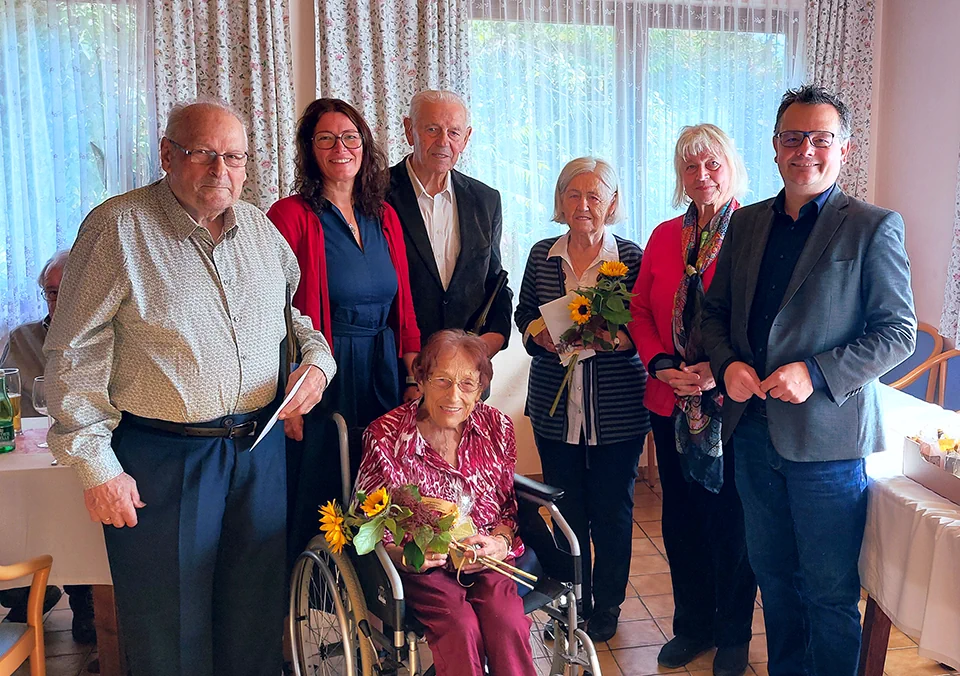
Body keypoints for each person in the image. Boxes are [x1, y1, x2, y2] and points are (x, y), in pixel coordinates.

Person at [44, 100, 337, 676]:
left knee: (253, 625)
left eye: (232, 157)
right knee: (169, 634)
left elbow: (292, 319)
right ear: (167, 155)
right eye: (203, 154)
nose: (219, 170)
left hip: (258, 453)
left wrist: (319, 363)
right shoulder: (117, 229)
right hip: (163, 459)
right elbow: (72, 353)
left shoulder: (259, 229)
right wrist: (95, 465)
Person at [701, 85, 916, 676]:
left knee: (828, 592)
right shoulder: (743, 224)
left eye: (821, 139)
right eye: (794, 138)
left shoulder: (873, 226)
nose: (806, 151)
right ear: (774, 148)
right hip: (751, 434)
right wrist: (728, 366)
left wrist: (816, 373)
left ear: (842, 149)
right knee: (775, 579)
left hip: (827, 442)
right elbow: (711, 316)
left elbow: (897, 333)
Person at [267, 97, 421, 564]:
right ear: (309, 149)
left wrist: (413, 377)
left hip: (383, 370)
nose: (341, 148)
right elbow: (272, 317)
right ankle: (314, 602)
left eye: (350, 137)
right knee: (323, 488)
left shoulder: (386, 216)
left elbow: (405, 308)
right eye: (326, 138)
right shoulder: (289, 216)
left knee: (378, 487)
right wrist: (287, 401)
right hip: (321, 375)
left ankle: (373, 594)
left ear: (365, 146)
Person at [628, 124, 756, 676]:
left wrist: (715, 370)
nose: (701, 177)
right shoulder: (662, 237)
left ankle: (732, 635)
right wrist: (660, 363)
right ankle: (692, 626)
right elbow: (638, 310)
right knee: (680, 522)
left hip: (730, 405)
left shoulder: (752, 231)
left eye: (712, 165)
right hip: (669, 400)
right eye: (690, 167)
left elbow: (760, 319)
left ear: (731, 167)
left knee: (729, 523)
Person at [514, 157, 649, 642]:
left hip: (617, 410)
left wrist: (615, 338)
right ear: (561, 201)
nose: (585, 205)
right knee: (567, 511)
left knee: (612, 511)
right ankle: (574, 599)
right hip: (555, 404)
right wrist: (540, 336)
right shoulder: (540, 255)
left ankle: (607, 605)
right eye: (575, 195)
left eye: (596, 196)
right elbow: (524, 312)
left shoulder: (632, 258)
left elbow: (644, 324)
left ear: (612, 203)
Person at [354, 330, 535, 676]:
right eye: (442, 381)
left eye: (468, 384)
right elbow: (369, 523)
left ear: (481, 388)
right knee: (460, 625)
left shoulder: (497, 426)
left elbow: (507, 507)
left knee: (508, 619)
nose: (454, 395)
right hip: (424, 568)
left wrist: (499, 541)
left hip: (485, 559)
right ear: (420, 379)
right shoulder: (385, 436)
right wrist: (405, 558)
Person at [0, 250, 96, 645]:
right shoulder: (23, 339)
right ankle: (28, 588)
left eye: (67, 291)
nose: (57, 302)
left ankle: (88, 593)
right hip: (35, 457)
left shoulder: (107, 337)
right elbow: (7, 403)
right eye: (51, 293)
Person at [386, 90, 512, 357]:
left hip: (465, 371)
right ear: (410, 130)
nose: (444, 142)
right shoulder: (375, 194)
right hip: (395, 369)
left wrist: (493, 340)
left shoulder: (486, 200)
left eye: (454, 133)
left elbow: (494, 281)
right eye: (432, 129)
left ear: (466, 138)